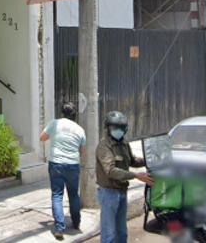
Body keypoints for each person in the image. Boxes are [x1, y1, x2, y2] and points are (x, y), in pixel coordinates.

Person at [96, 111, 154, 243]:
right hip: (109, 193)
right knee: (109, 233)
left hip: (122, 190)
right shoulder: (104, 146)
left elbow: (132, 160)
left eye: (122, 128)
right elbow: (111, 171)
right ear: (108, 128)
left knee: (122, 231)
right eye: (116, 127)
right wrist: (136, 175)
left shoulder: (124, 144)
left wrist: (150, 160)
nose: (119, 131)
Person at [41, 103, 86, 240]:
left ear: (62, 112)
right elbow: (81, 152)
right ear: (74, 114)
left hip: (56, 164)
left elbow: (42, 137)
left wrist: (54, 136)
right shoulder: (80, 129)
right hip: (73, 165)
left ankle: (60, 228)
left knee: (57, 195)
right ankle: (76, 222)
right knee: (73, 194)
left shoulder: (55, 123)